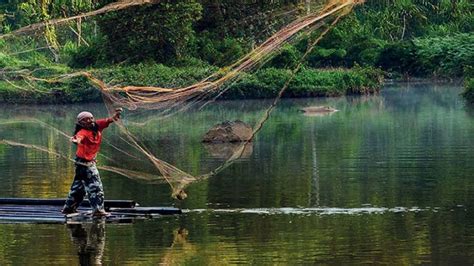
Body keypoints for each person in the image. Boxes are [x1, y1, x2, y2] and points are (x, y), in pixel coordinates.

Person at [61, 108, 122, 217]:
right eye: (86, 120)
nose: (90, 121)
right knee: (95, 186)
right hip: (85, 164)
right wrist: (76, 140)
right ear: (81, 123)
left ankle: (69, 208)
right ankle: (98, 210)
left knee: (78, 187)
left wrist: (116, 115)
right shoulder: (82, 132)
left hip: (83, 163)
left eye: (91, 118)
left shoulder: (97, 126)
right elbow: (79, 138)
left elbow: (110, 120)